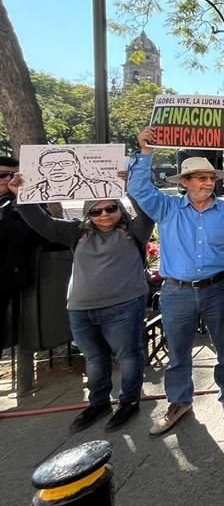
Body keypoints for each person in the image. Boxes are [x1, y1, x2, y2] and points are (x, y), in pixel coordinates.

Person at [10, 173, 153, 432]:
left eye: (111, 208)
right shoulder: (75, 233)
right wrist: (22, 195)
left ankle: (129, 401)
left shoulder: (133, 232)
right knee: (95, 359)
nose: (104, 215)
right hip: (81, 309)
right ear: (88, 215)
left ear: (120, 209)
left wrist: (129, 186)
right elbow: (42, 223)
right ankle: (98, 402)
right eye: (96, 212)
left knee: (129, 356)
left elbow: (147, 213)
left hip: (123, 307)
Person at [128, 127, 224, 436]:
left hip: (218, 288)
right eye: (201, 178)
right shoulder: (166, 208)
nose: (209, 183)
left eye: (211, 178)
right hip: (176, 292)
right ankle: (179, 402)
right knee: (178, 352)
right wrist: (145, 153)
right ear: (184, 183)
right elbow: (139, 188)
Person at [0, 156, 45, 356]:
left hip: (6, 279)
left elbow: (33, 235)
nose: (8, 179)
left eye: (14, 174)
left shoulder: (28, 203)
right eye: (3, 175)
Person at [19, 147, 122, 202]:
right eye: (49, 164)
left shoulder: (105, 188)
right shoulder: (28, 194)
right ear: (41, 169)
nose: (57, 168)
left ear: (76, 166)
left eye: (65, 163)